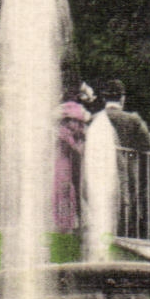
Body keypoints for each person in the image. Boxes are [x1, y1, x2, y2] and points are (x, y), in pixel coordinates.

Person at [99, 79, 150, 237]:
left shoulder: (96, 118)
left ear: (104, 98)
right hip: (126, 166)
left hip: (100, 165)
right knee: (126, 197)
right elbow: (147, 142)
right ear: (122, 98)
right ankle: (123, 233)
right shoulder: (131, 119)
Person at [53, 98, 88, 232]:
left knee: (74, 191)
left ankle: (72, 223)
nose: (78, 125)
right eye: (75, 121)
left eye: (79, 122)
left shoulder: (73, 133)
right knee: (64, 191)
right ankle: (64, 224)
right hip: (63, 164)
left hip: (73, 164)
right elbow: (77, 149)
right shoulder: (63, 132)